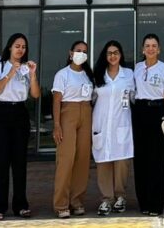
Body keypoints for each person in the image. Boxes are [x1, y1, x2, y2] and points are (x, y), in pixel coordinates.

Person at [0, 32, 39, 220]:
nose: (20, 49)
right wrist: (9, 74)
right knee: (0, 162)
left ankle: (20, 205)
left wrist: (32, 75)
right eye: (17, 46)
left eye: (23, 47)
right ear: (10, 47)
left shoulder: (26, 69)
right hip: (0, 113)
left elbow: (35, 94)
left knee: (19, 162)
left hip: (19, 113)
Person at [132, 33, 164, 216]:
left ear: (159, 49)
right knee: (141, 160)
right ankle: (144, 203)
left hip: (158, 112)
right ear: (143, 49)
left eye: (154, 45)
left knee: (157, 160)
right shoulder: (136, 68)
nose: (150, 48)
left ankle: (156, 204)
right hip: (140, 113)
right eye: (147, 45)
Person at [91, 40, 135, 216]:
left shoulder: (129, 74)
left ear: (121, 55)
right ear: (105, 56)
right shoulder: (98, 75)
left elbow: (134, 98)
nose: (113, 56)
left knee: (122, 163)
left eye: (116, 52)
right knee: (103, 164)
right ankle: (106, 199)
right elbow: (91, 100)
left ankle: (120, 197)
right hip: (101, 125)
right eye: (109, 53)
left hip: (122, 124)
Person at [51, 39, 93, 219]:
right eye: (78, 50)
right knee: (66, 159)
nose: (81, 53)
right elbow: (56, 100)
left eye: (84, 51)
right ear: (70, 53)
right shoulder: (62, 74)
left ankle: (76, 201)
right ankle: (61, 204)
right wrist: (57, 124)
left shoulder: (88, 75)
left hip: (86, 113)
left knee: (82, 159)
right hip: (68, 113)